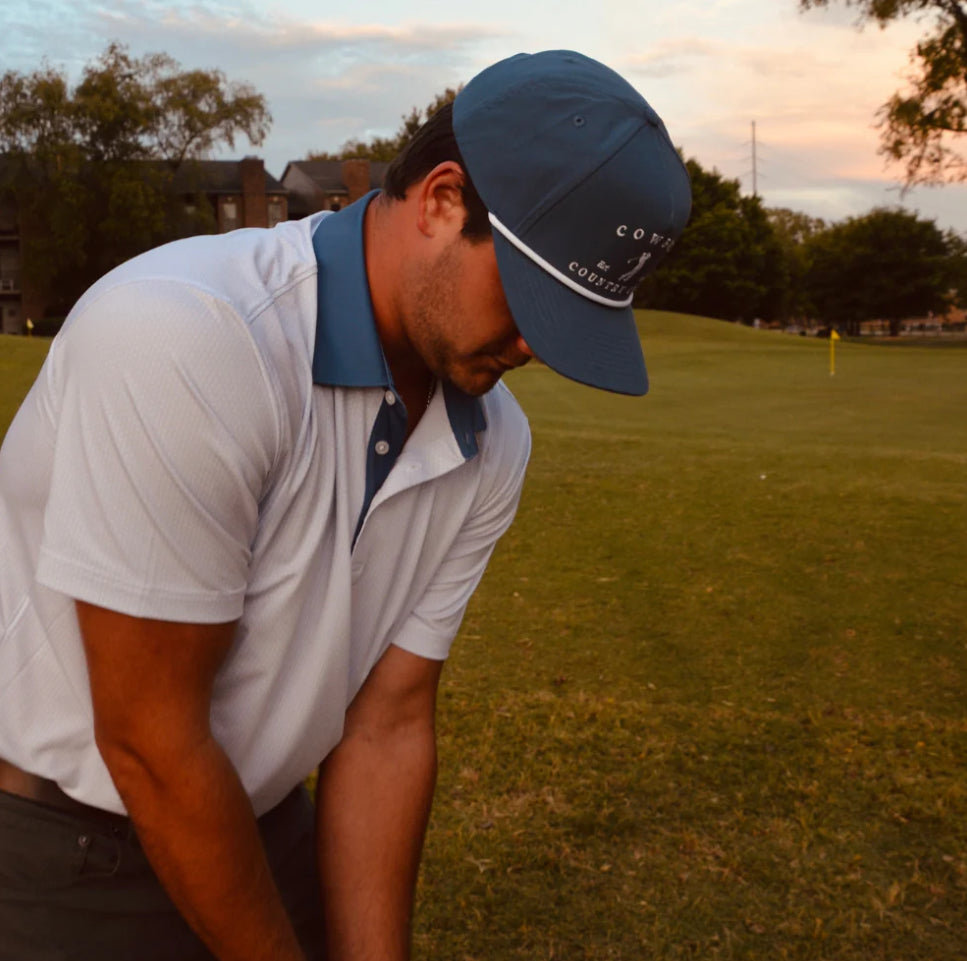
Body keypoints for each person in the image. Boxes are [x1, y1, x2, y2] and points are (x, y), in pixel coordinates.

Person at [0, 50, 691, 961]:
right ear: (442, 199)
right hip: (69, 856)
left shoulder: (494, 438)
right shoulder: (187, 335)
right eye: (529, 296)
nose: (534, 345)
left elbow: (386, 723)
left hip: (270, 827)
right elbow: (150, 740)